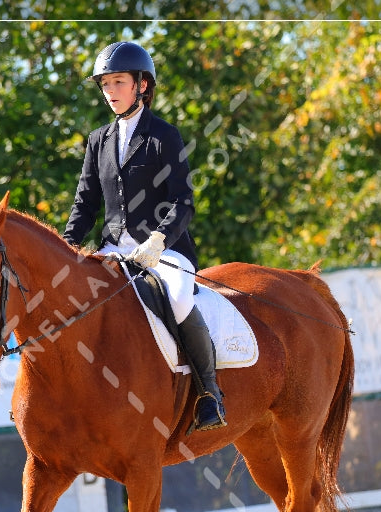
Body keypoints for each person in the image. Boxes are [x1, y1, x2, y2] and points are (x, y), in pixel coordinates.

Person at [62, 41, 226, 431]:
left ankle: (209, 393)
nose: (111, 91)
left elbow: (183, 200)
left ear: (141, 86)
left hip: (163, 251)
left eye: (118, 82)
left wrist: (158, 240)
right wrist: (66, 248)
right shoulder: (98, 140)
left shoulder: (164, 136)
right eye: (105, 84)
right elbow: (85, 205)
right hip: (112, 250)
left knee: (179, 297)